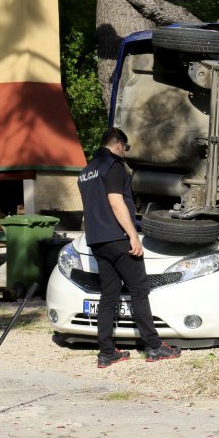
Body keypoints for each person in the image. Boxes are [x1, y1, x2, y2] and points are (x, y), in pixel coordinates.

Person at [77, 127, 181, 368]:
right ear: (118, 144)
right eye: (125, 147)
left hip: (96, 240)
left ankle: (106, 352)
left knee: (109, 294)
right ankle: (154, 347)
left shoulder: (86, 171)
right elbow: (116, 203)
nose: (125, 152)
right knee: (139, 289)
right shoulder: (113, 167)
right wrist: (133, 235)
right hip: (117, 237)